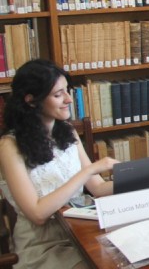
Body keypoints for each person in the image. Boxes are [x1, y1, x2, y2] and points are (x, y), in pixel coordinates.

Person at [0, 59, 117, 269]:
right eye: (58, 95)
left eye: (67, 91)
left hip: (83, 229)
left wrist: (138, 177)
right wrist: (90, 169)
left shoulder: (68, 131)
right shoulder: (9, 146)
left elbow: (98, 187)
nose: (69, 100)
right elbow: (37, 214)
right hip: (44, 245)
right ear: (31, 101)